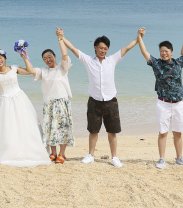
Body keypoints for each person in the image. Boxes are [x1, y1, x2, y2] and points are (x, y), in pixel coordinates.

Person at [60, 29, 140, 167]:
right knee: (93, 130)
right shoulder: (88, 61)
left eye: (106, 48)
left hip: (111, 101)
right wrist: (62, 37)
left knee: (112, 131)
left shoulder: (112, 60)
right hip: (94, 101)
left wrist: (139, 37)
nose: (103, 51)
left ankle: (114, 157)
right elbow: (73, 48)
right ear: (95, 48)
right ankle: (90, 155)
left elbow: (128, 47)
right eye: (101, 48)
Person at [137, 27, 183, 169]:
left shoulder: (178, 63)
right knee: (163, 133)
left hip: (178, 104)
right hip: (163, 103)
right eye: (162, 51)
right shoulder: (156, 64)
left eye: (166, 51)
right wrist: (140, 36)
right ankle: (162, 159)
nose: (164, 53)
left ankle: (179, 158)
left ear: (171, 52)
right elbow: (144, 52)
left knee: (178, 133)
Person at [33, 28, 75, 163]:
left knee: (62, 128)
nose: (48, 60)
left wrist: (60, 38)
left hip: (62, 101)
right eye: (45, 58)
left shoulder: (62, 67)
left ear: (54, 56)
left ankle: (62, 154)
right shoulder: (43, 71)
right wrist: (24, 55)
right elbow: (29, 70)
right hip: (48, 103)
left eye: (50, 57)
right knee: (49, 128)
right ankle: (53, 153)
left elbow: (65, 54)